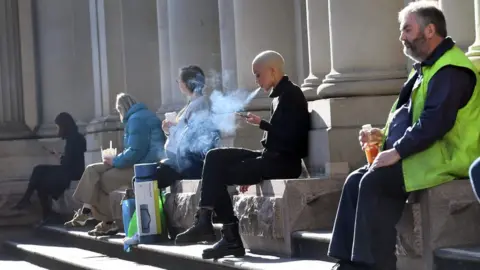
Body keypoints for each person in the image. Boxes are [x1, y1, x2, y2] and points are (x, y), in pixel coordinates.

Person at [329, 2, 480, 270]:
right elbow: (408, 118)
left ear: (430, 30)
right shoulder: (424, 68)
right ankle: (347, 262)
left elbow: (434, 123)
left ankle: (374, 265)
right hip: (424, 151)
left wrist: (396, 151)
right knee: (354, 180)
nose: (402, 37)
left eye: (407, 30)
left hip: (448, 156)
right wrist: (381, 135)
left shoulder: (451, 69)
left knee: (375, 183)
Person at [174, 50, 310, 260]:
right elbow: (278, 136)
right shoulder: (278, 96)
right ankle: (204, 219)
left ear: (273, 71)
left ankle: (230, 238)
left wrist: (261, 125)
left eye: (258, 74)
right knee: (214, 156)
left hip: (284, 163)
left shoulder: (292, 94)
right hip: (271, 157)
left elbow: (292, 139)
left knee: (220, 173)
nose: (256, 80)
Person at [64, 93, 165, 236]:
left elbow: (136, 151)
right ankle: (86, 210)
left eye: (118, 111)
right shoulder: (139, 116)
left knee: (102, 180)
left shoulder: (136, 120)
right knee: (92, 170)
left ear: (121, 108)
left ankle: (104, 221)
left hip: (143, 166)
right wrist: (116, 159)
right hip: (137, 162)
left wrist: (115, 161)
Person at [12, 112, 86, 225]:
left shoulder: (75, 139)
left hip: (73, 173)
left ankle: (28, 200)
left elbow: (70, 163)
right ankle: (45, 213)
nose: (58, 130)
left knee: (39, 171)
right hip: (68, 170)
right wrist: (61, 157)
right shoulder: (74, 138)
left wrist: (60, 157)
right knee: (40, 177)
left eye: (59, 127)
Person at [156, 65, 220, 189]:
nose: (178, 84)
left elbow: (190, 136)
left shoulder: (199, 105)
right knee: (146, 176)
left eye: (179, 81)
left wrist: (172, 129)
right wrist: (169, 131)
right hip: (181, 161)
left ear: (186, 84)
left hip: (189, 164)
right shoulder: (193, 103)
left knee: (150, 177)